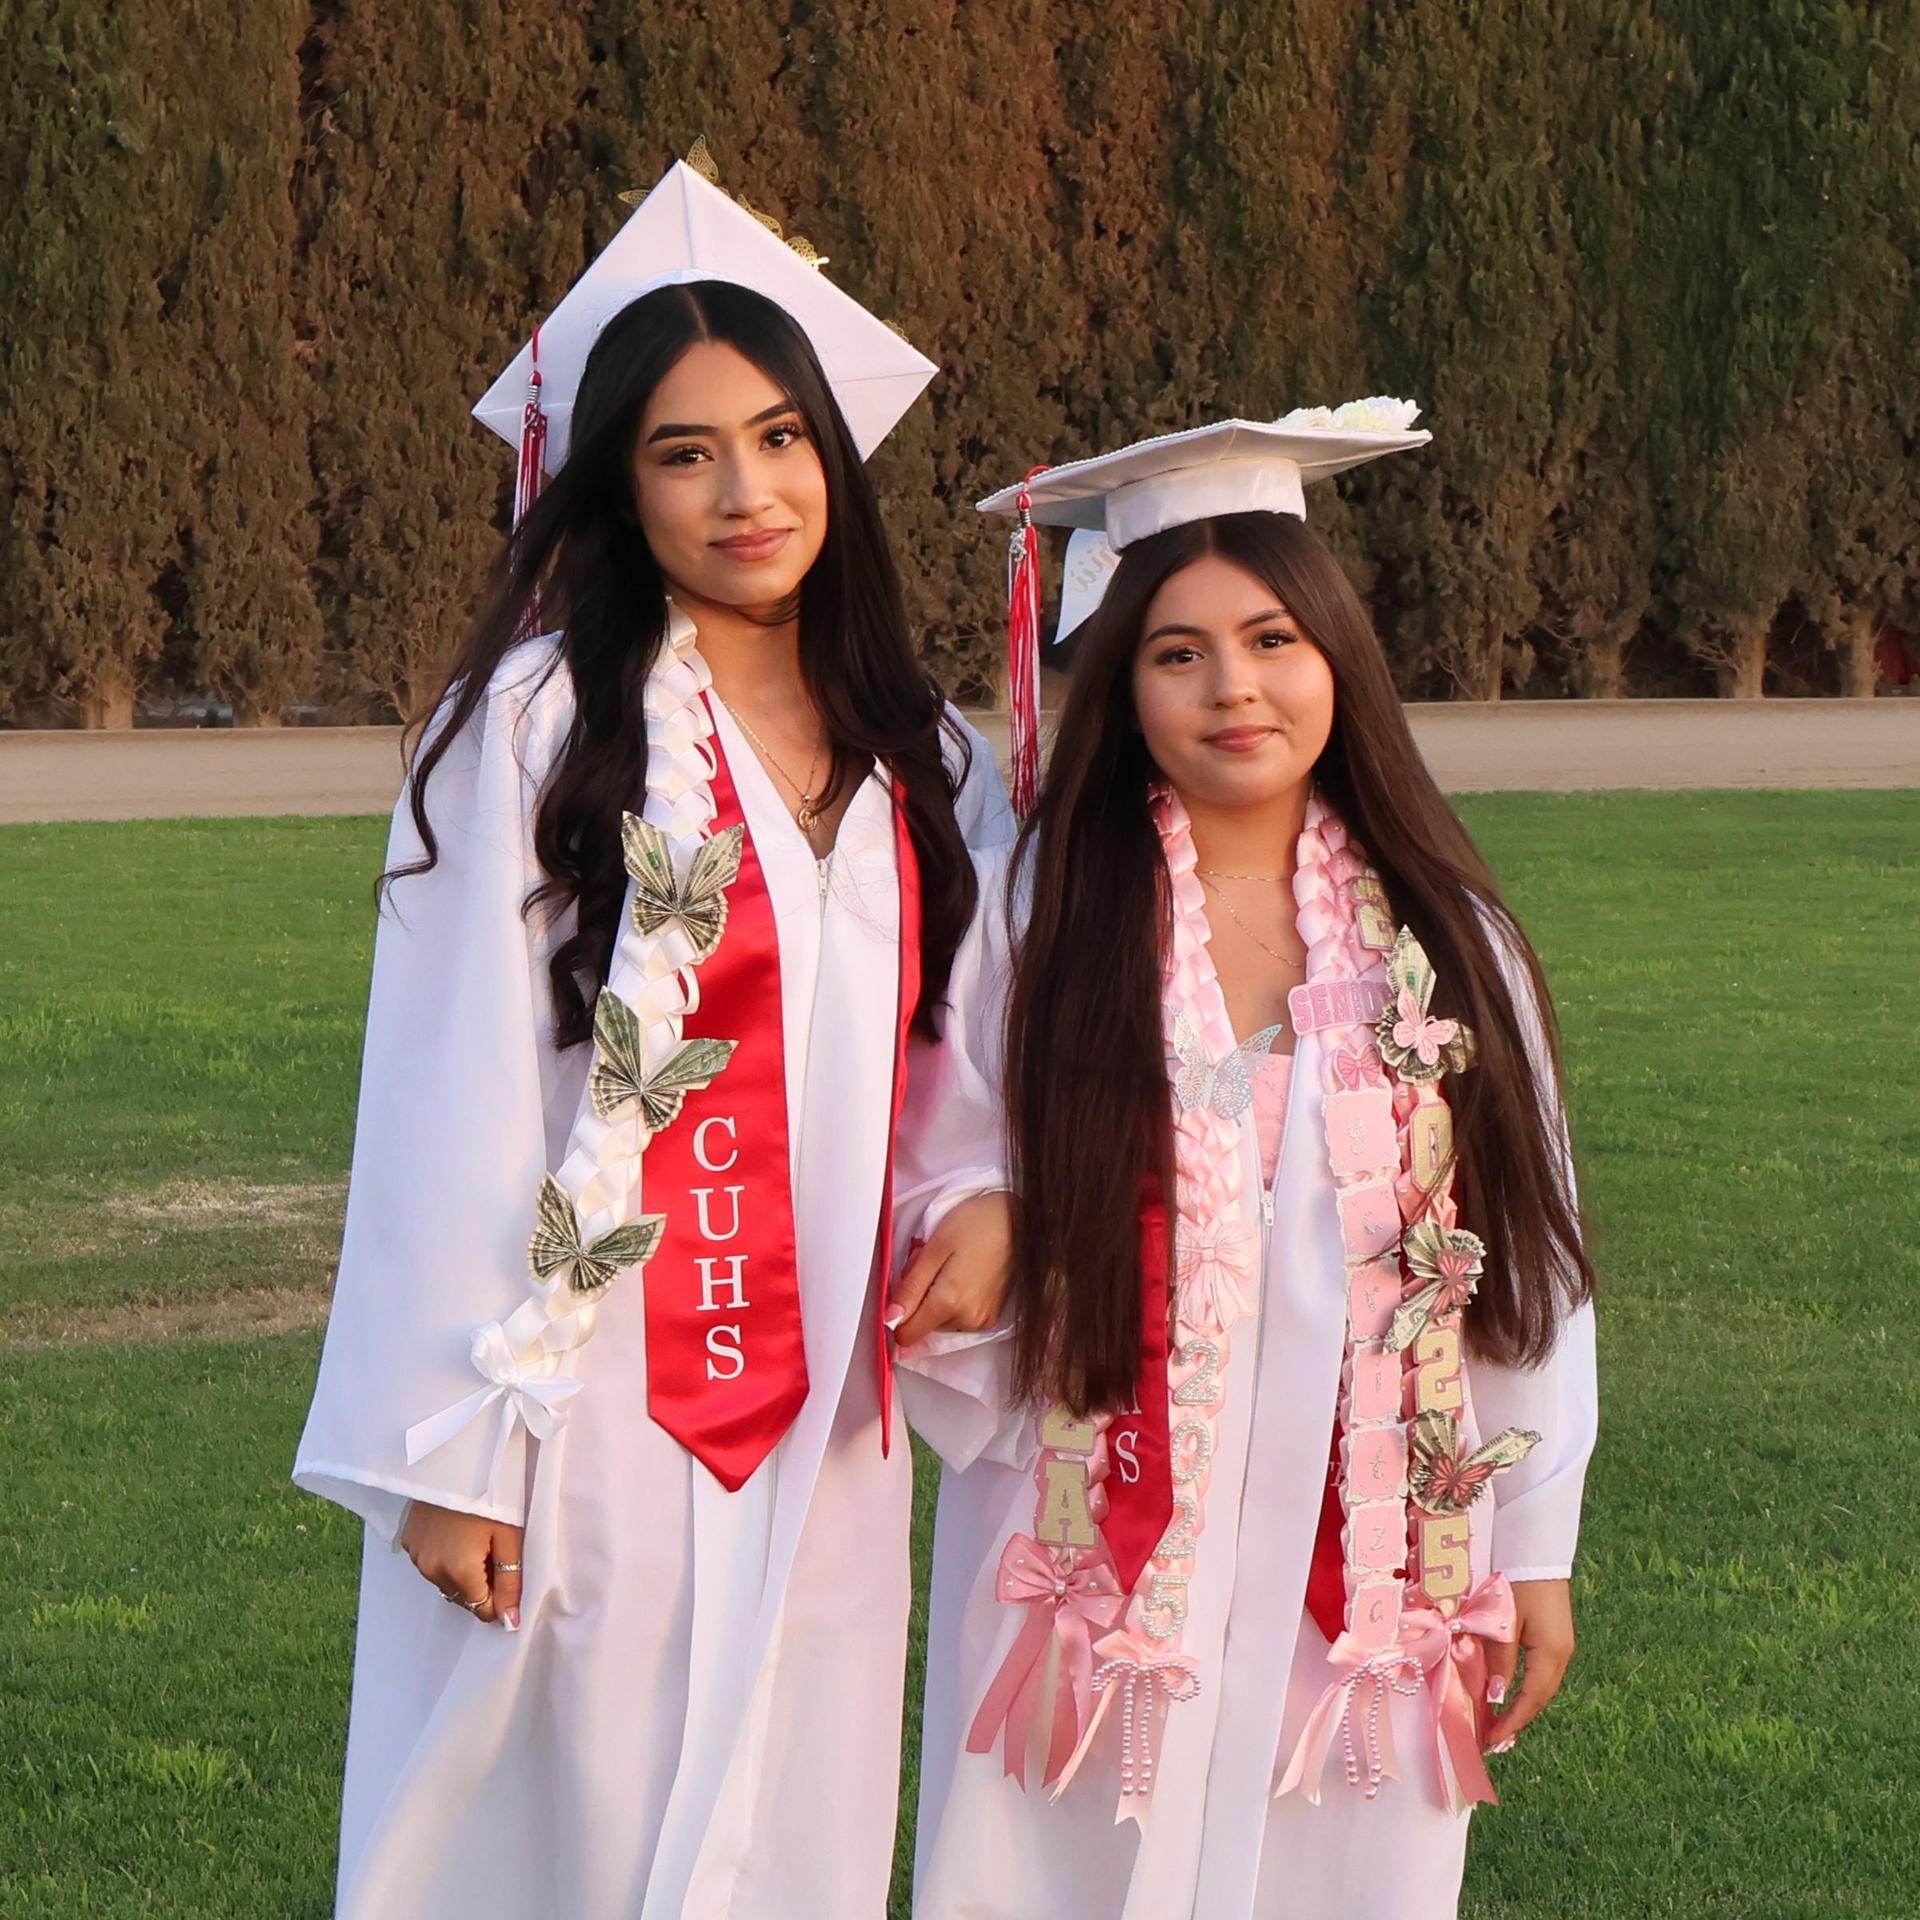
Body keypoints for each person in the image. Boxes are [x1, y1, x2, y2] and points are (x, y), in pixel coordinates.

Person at [294, 158, 1014, 1918]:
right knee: (569, 1813)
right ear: (617, 485)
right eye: (685, 452)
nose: (746, 491)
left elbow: (954, 1052)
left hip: (819, 1400)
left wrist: (982, 1199)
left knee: (799, 1800)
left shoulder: (925, 750)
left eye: (780, 439)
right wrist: (453, 1458)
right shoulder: (535, 728)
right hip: (584, 1397)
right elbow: (446, 1089)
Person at [898, 407, 1599, 1919]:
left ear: (1336, 652)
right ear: (1122, 686)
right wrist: (983, 1209)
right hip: (1100, 1527)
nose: (1235, 688)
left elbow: (1525, 1270)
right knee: (1060, 1862)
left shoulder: (1452, 944)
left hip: (1370, 1542)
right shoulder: (1036, 918)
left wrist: (1532, 1543)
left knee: (1335, 1864)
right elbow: (939, 1147)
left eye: (1272, 637)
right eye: (1177, 653)